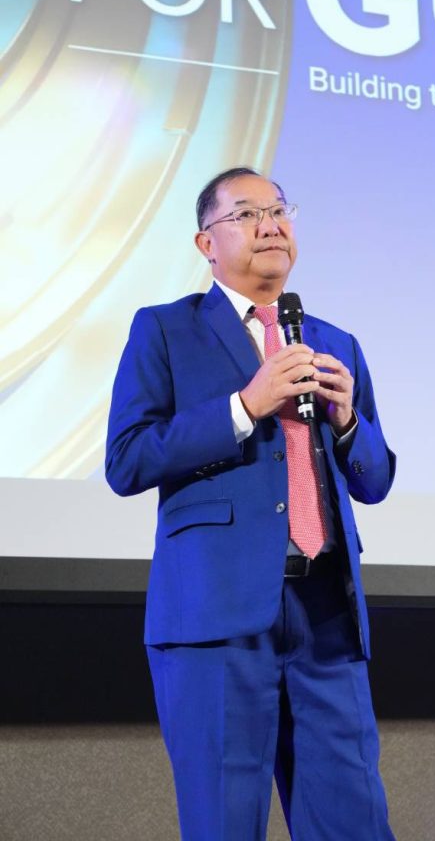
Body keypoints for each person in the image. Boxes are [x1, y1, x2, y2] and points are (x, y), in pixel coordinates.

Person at [106, 166, 397, 841]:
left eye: (280, 211)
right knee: (224, 824)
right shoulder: (166, 330)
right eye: (247, 214)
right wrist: (243, 406)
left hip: (327, 616)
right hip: (217, 619)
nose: (271, 226)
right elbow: (128, 459)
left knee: (355, 823)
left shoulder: (334, 342)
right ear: (206, 243)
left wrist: (348, 421)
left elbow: (375, 480)